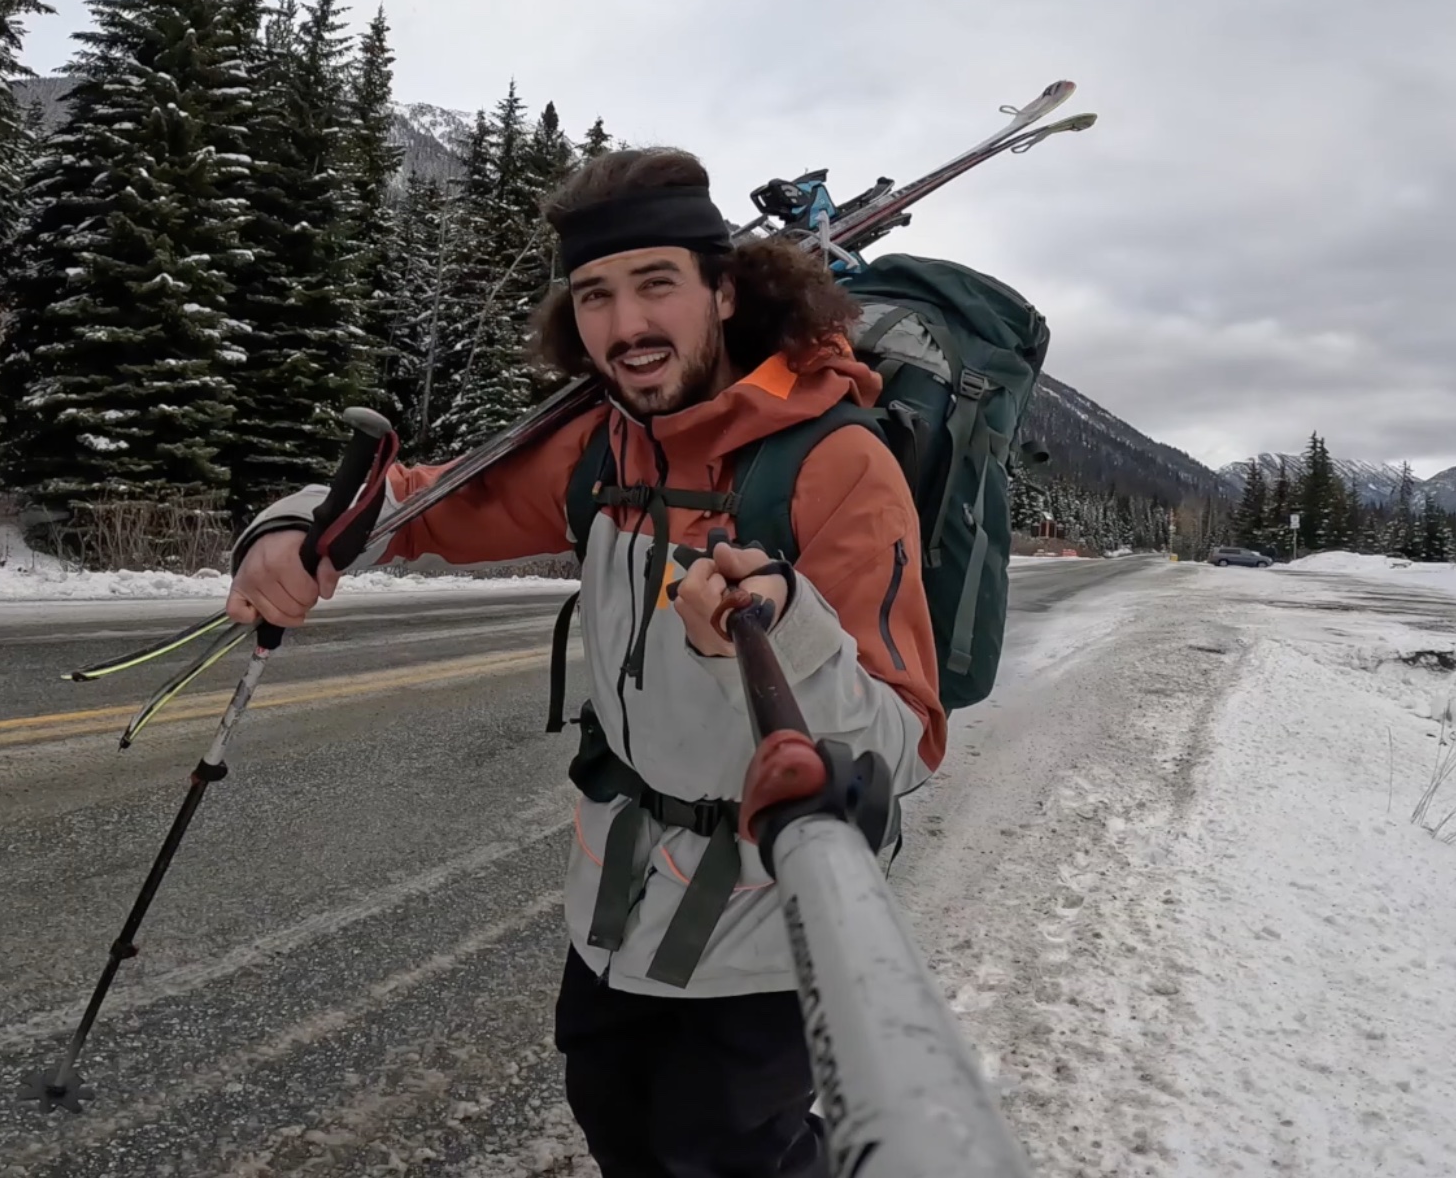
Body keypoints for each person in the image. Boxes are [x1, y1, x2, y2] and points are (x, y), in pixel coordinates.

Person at [227, 147, 943, 1178]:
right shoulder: (603, 451)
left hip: (763, 921)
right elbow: (423, 507)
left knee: (727, 1157)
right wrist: (292, 527)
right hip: (613, 902)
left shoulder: (834, 463)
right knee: (616, 1127)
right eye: (596, 294)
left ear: (724, 289)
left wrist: (782, 625)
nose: (626, 325)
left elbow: (902, 745)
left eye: (657, 284)